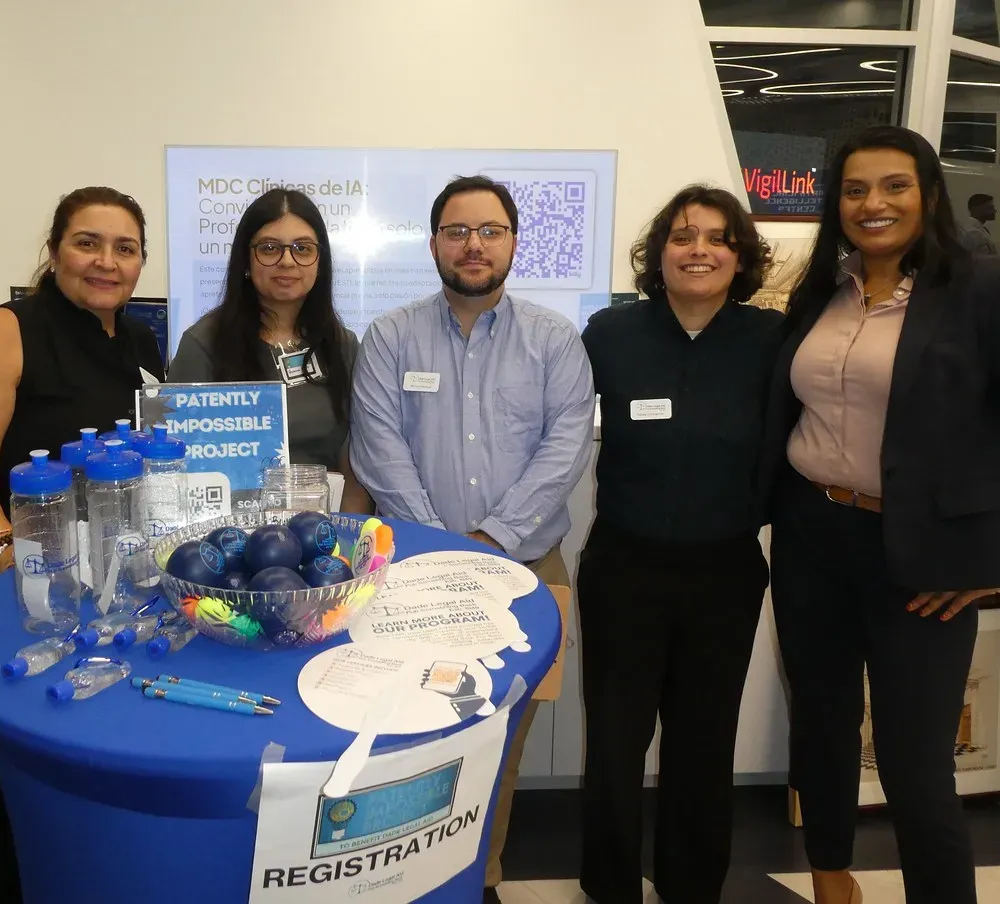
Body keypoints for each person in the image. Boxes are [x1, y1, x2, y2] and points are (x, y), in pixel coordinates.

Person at [758, 125, 1000, 904]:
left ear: (928, 194)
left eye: (895, 185)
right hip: (812, 537)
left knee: (914, 762)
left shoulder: (979, 291)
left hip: (923, 556)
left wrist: (993, 561)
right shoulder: (822, 292)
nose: (874, 204)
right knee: (822, 727)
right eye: (856, 189)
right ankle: (831, 881)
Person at [349, 175, 595, 903]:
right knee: (405, 735)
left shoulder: (554, 340)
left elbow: (565, 449)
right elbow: (379, 448)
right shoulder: (389, 336)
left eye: (490, 231)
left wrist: (492, 539)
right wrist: (444, 551)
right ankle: (401, 883)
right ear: (433, 244)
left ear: (514, 242)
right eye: (457, 231)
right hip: (408, 573)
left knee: (501, 737)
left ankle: (477, 880)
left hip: (530, 570)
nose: (473, 245)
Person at [577, 186, 782, 904]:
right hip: (624, 566)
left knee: (704, 740)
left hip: (724, 571)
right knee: (615, 740)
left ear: (740, 257)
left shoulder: (772, 340)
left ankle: (692, 886)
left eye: (719, 238)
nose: (700, 250)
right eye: (684, 236)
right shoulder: (609, 334)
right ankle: (609, 885)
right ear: (659, 252)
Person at [0, 185, 163, 902]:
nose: (106, 262)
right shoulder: (7, 328)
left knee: (103, 765)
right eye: (88, 243)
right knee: (23, 787)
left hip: (112, 589)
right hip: (22, 591)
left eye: (125, 248)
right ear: (54, 251)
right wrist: (8, 557)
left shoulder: (139, 341)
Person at [167, 189, 371, 514]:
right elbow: (173, 467)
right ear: (246, 261)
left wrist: (347, 533)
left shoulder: (343, 346)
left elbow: (355, 467)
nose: (287, 261)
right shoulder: (203, 344)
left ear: (320, 263)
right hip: (227, 532)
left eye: (302, 248)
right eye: (270, 248)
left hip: (321, 528)